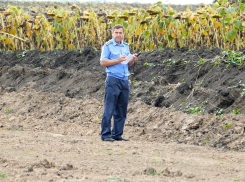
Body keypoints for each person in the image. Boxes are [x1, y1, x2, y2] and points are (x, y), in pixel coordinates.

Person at [100, 25, 139, 142]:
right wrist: (118, 59)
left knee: (122, 109)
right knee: (109, 108)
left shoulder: (126, 46)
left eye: (120, 33)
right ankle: (106, 134)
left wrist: (132, 59)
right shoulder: (107, 46)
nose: (118, 35)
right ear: (112, 33)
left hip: (124, 80)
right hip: (113, 79)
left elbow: (127, 64)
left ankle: (117, 134)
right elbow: (103, 62)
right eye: (116, 32)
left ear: (123, 34)